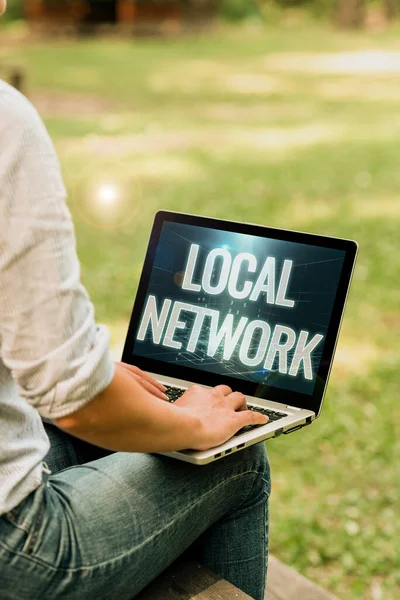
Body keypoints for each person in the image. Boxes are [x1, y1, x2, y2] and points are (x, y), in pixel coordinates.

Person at [0, 1, 271, 598]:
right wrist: (191, 424)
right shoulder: (5, 121)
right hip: (15, 552)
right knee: (237, 459)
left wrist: (93, 374)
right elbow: (77, 404)